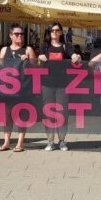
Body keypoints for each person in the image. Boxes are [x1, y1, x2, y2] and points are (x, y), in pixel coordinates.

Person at [0, 24, 36, 152]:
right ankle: (6, 142)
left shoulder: (28, 50)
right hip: (8, 88)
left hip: (23, 87)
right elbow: (0, 68)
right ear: (11, 36)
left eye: (22, 34)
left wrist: (27, 61)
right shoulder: (4, 50)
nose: (20, 36)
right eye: (17, 34)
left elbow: (35, 68)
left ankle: (20, 143)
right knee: (7, 115)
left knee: (21, 115)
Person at [39, 22, 73, 151]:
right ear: (49, 32)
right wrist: (39, 58)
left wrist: (76, 57)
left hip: (62, 85)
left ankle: (62, 141)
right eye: (52, 30)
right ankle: (50, 141)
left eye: (57, 30)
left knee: (62, 113)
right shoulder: (44, 47)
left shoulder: (66, 47)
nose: (55, 32)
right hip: (47, 84)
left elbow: (74, 57)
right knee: (48, 113)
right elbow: (38, 62)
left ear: (60, 32)